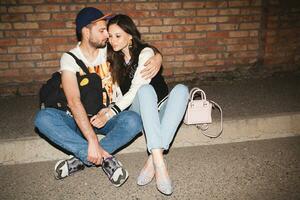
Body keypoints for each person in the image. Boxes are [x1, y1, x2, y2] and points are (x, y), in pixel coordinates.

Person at [34, 7, 162, 187]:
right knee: (43, 119)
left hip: (109, 116)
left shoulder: (110, 50)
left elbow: (138, 47)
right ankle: (106, 158)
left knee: (134, 120)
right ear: (86, 31)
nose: (107, 36)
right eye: (102, 30)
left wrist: (157, 57)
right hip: (78, 120)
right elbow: (73, 101)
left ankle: (80, 158)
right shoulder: (70, 58)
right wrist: (92, 140)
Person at [96, 14, 189, 195]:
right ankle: (161, 166)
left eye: (118, 36)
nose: (113, 41)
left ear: (130, 36)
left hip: (161, 105)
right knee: (145, 91)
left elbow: (138, 83)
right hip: (141, 108)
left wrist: (158, 56)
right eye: (111, 36)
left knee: (182, 89)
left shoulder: (145, 52)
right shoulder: (113, 60)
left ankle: (154, 158)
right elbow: (125, 93)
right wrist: (109, 110)